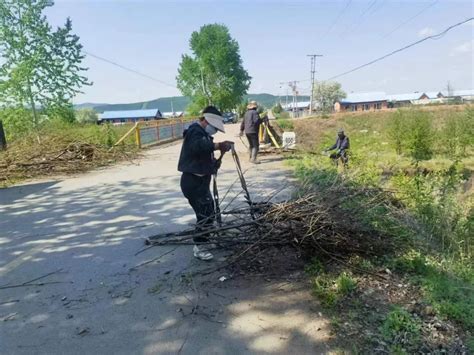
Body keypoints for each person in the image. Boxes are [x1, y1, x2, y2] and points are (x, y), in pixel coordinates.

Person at [178, 106, 233, 261]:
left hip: (200, 181)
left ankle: (204, 239)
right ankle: (199, 246)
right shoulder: (195, 131)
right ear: (206, 121)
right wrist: (218, 146)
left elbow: (202, 155)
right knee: (205, 214)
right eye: (214, 127)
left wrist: (215, 162)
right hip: (192, 182)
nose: (214, 130)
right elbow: (198, 146)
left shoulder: (203, 134)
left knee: (209, 211)